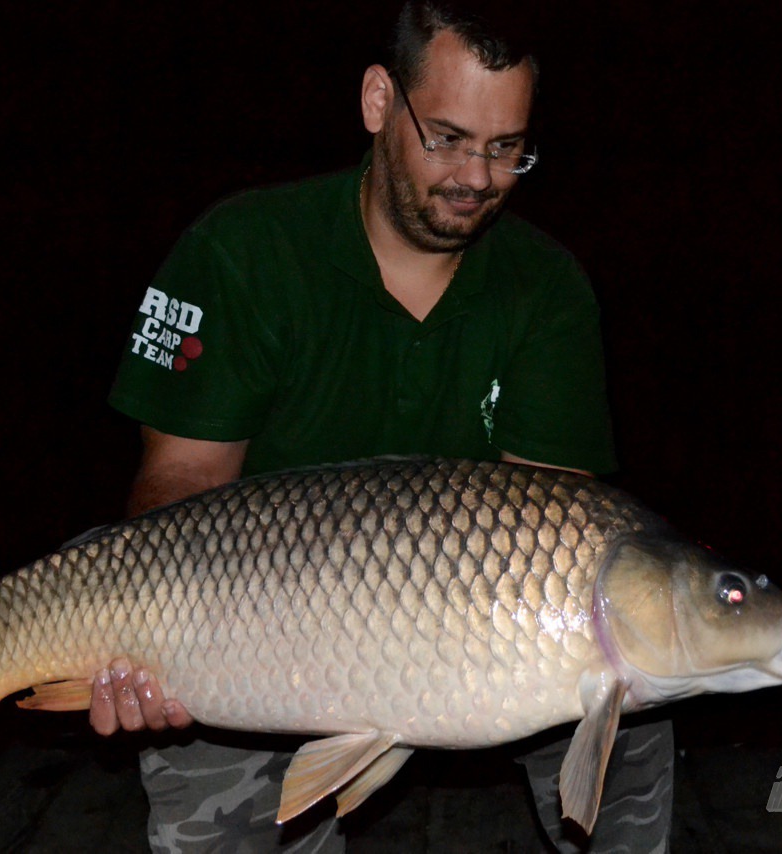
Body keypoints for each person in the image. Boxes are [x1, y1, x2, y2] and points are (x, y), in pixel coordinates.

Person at [91, 2, 673, 851]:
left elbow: (563, 538)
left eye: (506, 147)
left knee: (632, 704)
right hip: (241, 631)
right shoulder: (244, 250)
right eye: (446, 136)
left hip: (469, 630)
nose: (477, 175)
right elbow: (179, 483)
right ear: (377, 101)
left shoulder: (545, 289)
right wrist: (142, 647)